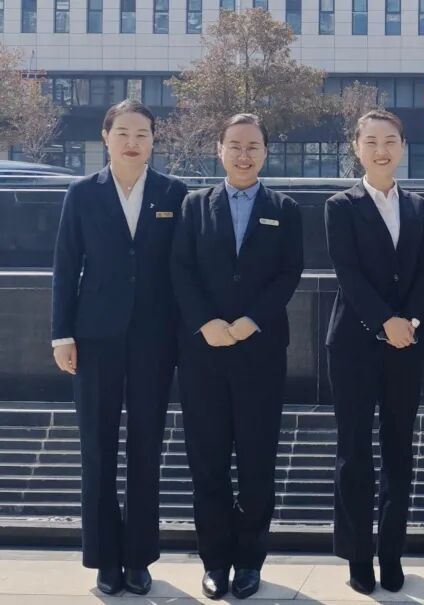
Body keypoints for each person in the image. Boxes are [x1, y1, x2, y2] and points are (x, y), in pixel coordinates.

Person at [50, 99, 188, 596]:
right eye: (123, 133)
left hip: (155, 339)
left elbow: (183, 270)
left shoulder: (174, 193)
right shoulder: (82, 193)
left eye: (142, 134)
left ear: (154, 140)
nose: (133, 142)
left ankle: (138, 557)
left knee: (146, 448)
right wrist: (62, 335)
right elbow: (66, 266)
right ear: (106, 137)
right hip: (95, 338)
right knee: (97, 447)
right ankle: (105, 558)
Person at [171, 113, 304, 600]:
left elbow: (289, 272)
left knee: (256, 463)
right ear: (220, 150)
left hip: (260, 352)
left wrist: (253, 319)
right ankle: (214, 561)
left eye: (253, 147)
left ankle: (249, 561)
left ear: (265, 152)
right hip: (203, 353)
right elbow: (180, 268)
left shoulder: (284, 208)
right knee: (207, 462)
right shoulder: (194, 205)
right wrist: (205, 322)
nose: (243, 155)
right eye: (235, 146)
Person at [324, 110, 424, 595]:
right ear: (357, 147)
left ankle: (391, 552)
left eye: (390, 140)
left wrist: (409, 323)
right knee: (353, 451)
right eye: (370, 141)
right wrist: (384, 321)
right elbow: (347, 272)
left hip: (406, 345)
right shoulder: (340, 206)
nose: (381, 149)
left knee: (398, 450)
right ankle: (357, 555)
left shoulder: (418, 206)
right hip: (353, 343)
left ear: (403, 147)